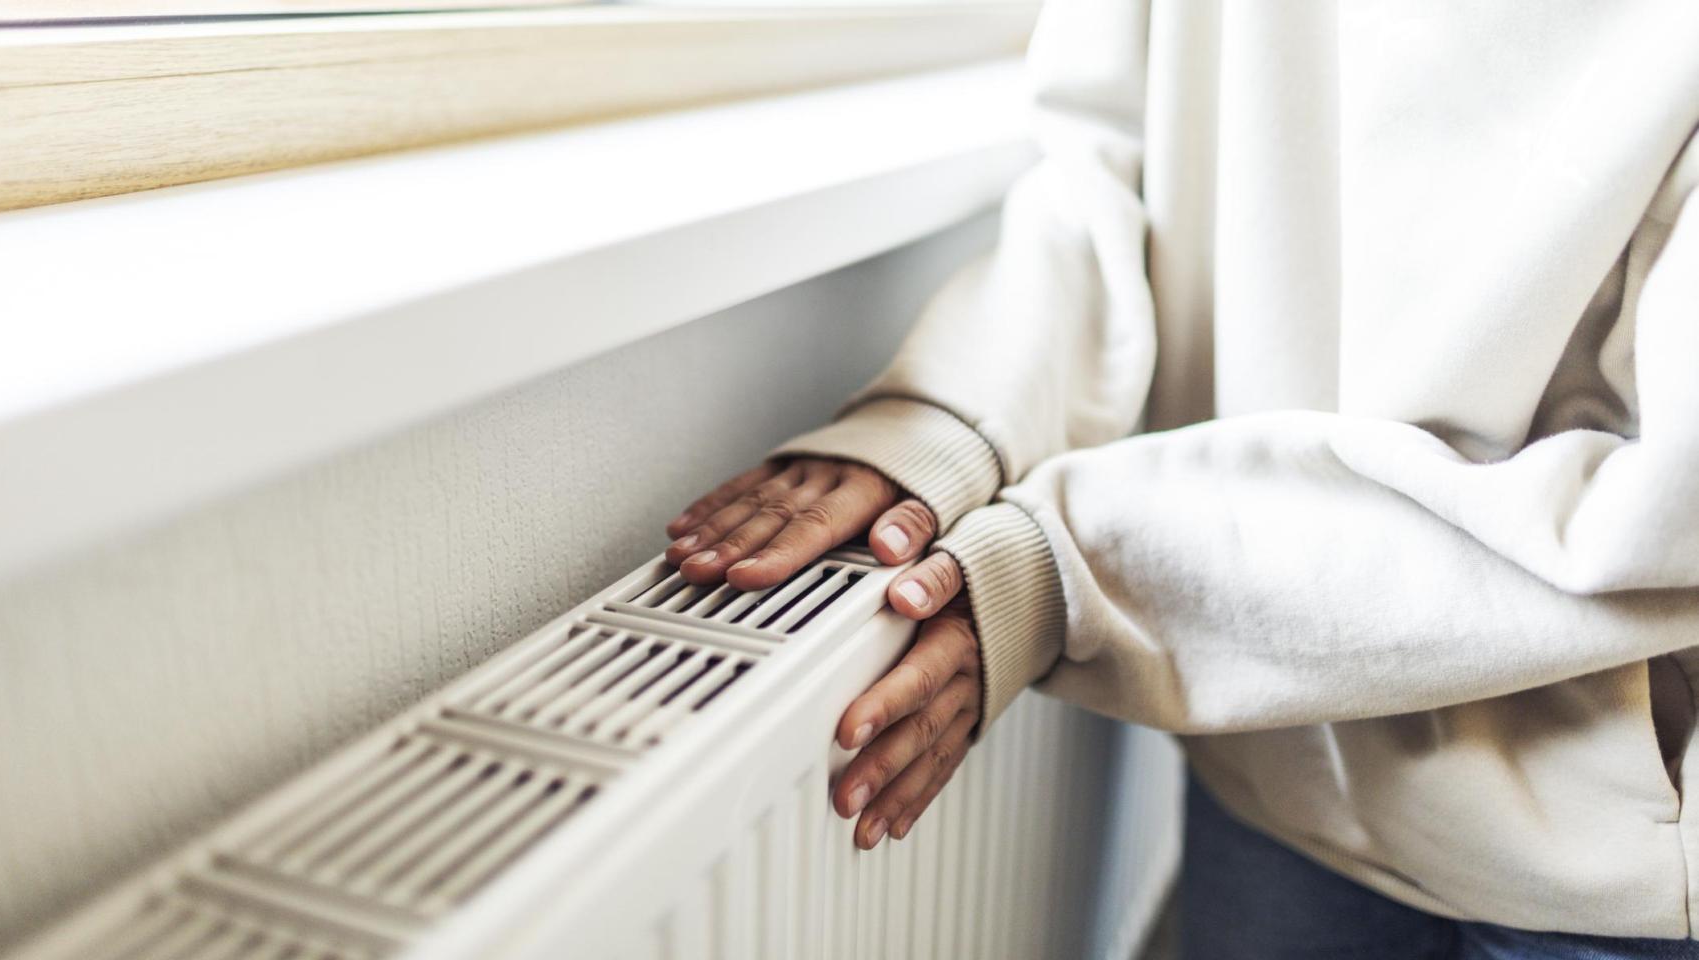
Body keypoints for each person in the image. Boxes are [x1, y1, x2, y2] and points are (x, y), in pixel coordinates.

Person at [660, 1, 1699, 956]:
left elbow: (1666, 506)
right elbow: (1103, 166)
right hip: (1269, 763)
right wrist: (938, 421)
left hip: (1615, 873)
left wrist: (1077, 565)